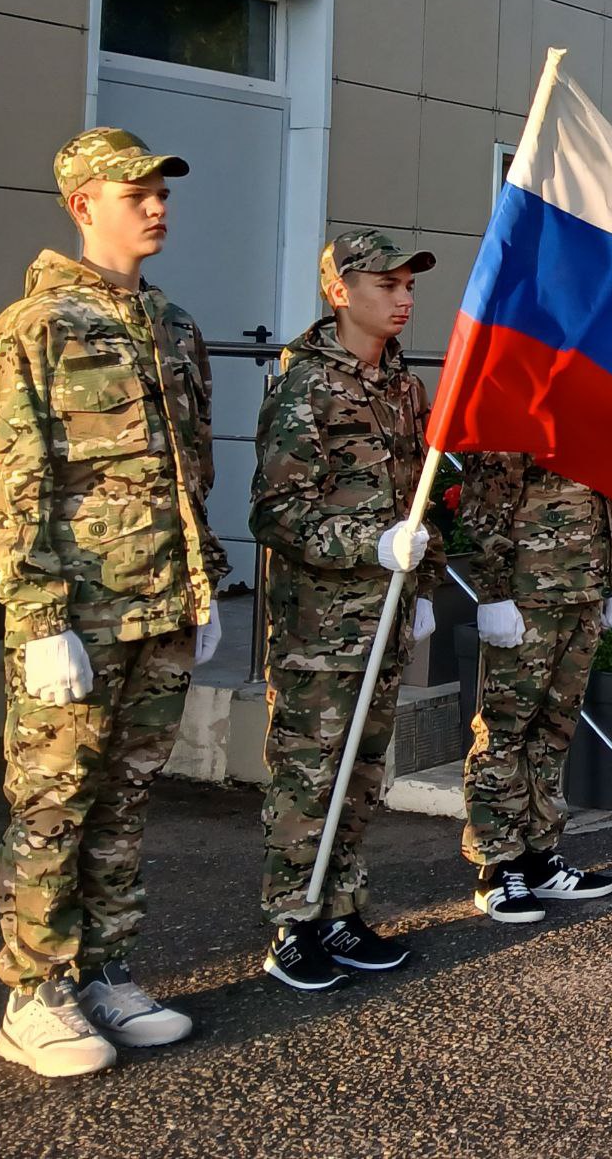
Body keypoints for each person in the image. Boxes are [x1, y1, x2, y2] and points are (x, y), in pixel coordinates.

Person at [0, 126, 229, 1078]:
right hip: (78, 617)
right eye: (135, 193)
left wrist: (203, 589)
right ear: (83, 205)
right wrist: (37, 619)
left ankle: (103, 968)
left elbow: (186, 476)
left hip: (159, 607)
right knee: (53, 801)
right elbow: (9, 485)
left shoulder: (173, 325)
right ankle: (32, 993)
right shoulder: (31, 329)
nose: (156, 205)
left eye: (161, 190)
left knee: (124, 799)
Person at [249, 229, 444, 990]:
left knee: (362, 772)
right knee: (310, 772)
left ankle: (339, 905)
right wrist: (373, 542)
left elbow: (418, 501)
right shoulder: (306, 385)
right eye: (386, 285)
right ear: (340, 291)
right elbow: (276, 511)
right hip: (320, 624)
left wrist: (420, 586)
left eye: (408, 287)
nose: (403, 299)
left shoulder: (401, 384)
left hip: (385, 613)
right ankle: (292, 920)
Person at [459, 457, 612, 923]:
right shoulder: (522, 402)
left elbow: (611, 495)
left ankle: (538, 854)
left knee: (555, 731)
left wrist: (611, 580)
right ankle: (498, 866)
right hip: (528, 592)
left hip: (584, 589)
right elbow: (485, 502)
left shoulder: (596, 407)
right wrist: (492, 593)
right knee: (505, 730)